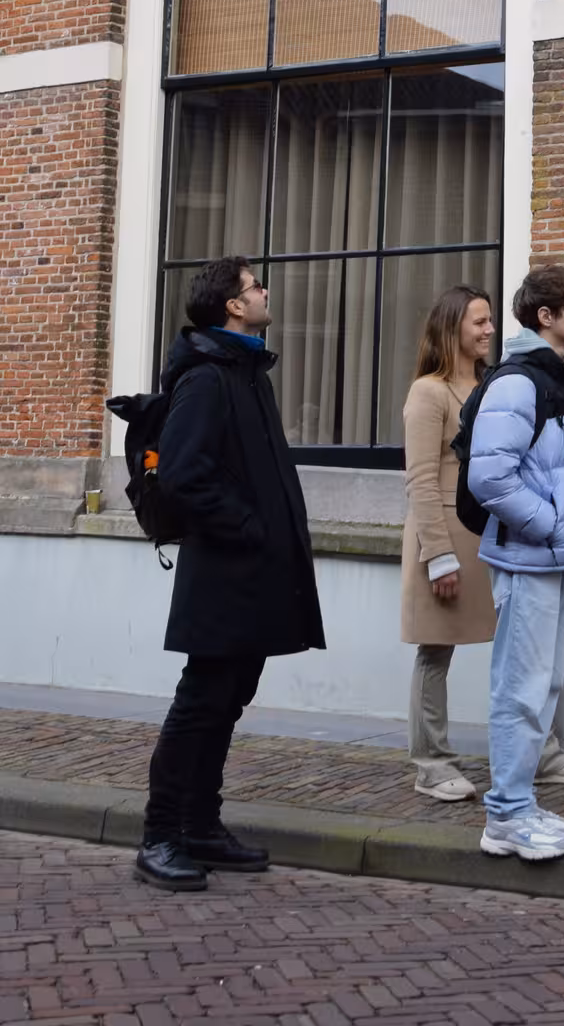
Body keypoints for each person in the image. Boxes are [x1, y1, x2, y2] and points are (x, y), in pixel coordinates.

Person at [135, 257, 324, 892]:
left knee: (226, 703)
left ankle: (201, 826)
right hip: (224, 573)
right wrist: (248, 526)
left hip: (254, 572)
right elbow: (186, 474)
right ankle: (160, 836)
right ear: (233, 306)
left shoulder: (246, 374)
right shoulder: (208, 380)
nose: (265, 290)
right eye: (254, 285)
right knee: (200, 704)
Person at [402, 285, 564, 801]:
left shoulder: (498, 383)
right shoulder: (429, 392)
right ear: (452, 328)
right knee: (436, 649)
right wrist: (437, 556)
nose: (489, 330)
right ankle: (432, 762)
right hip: (445, 536)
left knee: (523, 655)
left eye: (490, 321)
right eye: (479, 322)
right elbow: (420, 478)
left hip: (498, 533)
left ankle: (541, 751)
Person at [468, 265, 564, 862]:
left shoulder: (555, 380)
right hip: (531, 558)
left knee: (542, 681)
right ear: (546, 316)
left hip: (550, 559)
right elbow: (489, 477)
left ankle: (518, 803)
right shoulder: (520, 383)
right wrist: (550, 528)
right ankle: (504, 814)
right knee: (520, 685)